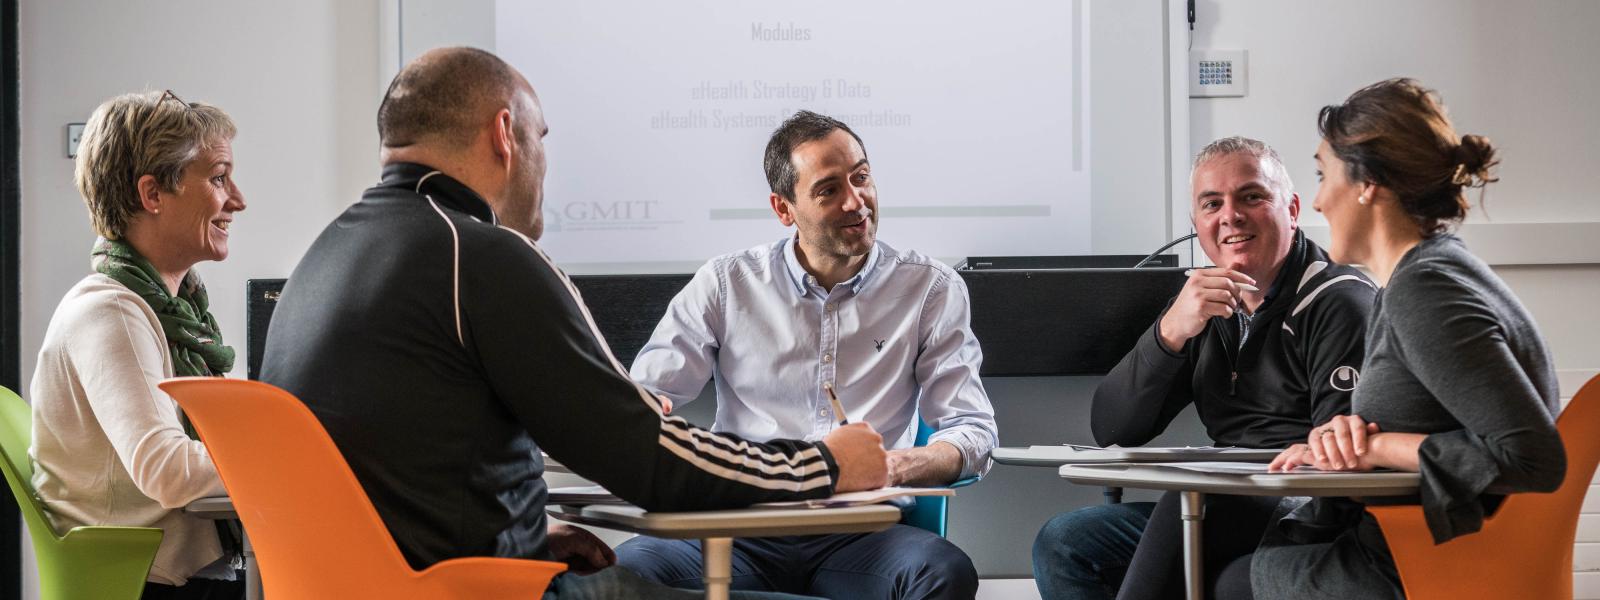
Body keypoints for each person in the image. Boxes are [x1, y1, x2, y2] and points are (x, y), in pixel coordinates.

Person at [259, 48, 888, 600]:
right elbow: (651, 459)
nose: (544, 163)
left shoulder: (327, 253)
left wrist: (527, 534)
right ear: (505, 134)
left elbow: (394, 465)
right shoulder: (477, 254)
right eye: (543, 138)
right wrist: (823, 464)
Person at [611, 110, 995, 600]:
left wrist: (892, 467)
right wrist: (646, 412)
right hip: (737, 530)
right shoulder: (727, 284)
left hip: (863, 538)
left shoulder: (929, 288)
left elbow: (973, 429)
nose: (857, 202)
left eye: (862, 177)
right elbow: (645, 397)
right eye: (829, 189)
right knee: (621, 573)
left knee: (941, 573)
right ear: (783, 208)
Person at [1211, 78, 1568, 600]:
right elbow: (1446, 412)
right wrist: (1348, 436)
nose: (1316, 200)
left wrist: (1378, 445)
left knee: (1221, 579)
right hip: (1427, 551)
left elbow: (1532, 457)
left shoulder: (1425, 289)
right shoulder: (1429, 274)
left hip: (1417, 566)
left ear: (1367, 183)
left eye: (1321, 174)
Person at [1031, 136, 1377, 600]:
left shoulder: (1340, 300)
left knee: (1191, 503)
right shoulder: (1201, 303)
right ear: (1197, 224)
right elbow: (1113, 428)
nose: (1230, 216)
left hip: (1303, 505)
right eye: (1212, 204)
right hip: (1224, 504)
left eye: (1251, 197)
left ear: (1291, 209)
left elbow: (1343, 464)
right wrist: (1170, 332)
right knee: (1067, 542)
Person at [30, 90, 247, 599]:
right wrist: (291, 457)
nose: (237, 199)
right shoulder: (113, 312)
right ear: (152, 194)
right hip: (153, 585)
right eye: (218, 177)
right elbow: (167, 470)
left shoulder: (173, 309)